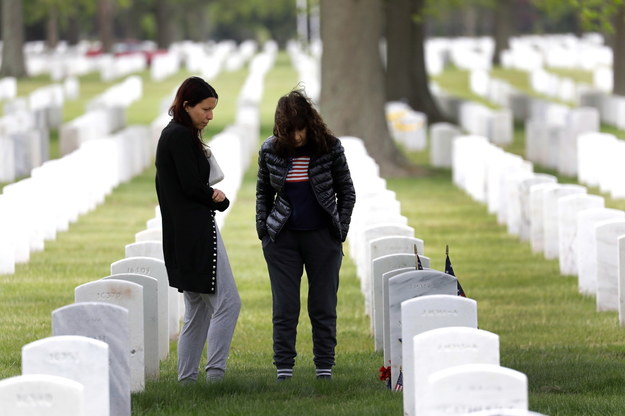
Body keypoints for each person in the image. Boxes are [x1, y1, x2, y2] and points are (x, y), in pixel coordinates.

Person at [255, 88, 356, 381]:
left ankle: (324, 366)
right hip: (282, 239)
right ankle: (284, 368)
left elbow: (346, 191)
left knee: (323, 305)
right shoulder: (270, 150)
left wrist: (340, 230)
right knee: (285, 307)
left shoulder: (330, 147)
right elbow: (263, 192)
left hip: (322, 237)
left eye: (300, 129)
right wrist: (263, 230)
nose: (297, 137)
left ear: (310, 123)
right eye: (290, 131)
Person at [155, 76, 241, 384]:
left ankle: (187, 381)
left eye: (212, 109)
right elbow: (191, 185)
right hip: (196, 231)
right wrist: (217, 198)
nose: (210, 116)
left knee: (197, 311)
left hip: (182, 232)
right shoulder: (179, 136)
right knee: (228, 304)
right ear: (187, 105)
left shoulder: (175, 133)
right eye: (205, 109)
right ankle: (215, 376)